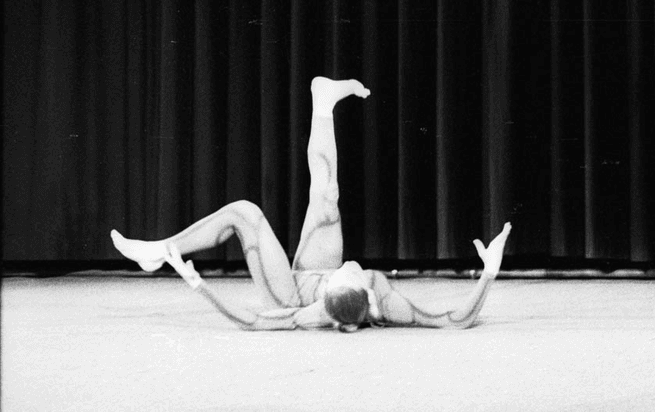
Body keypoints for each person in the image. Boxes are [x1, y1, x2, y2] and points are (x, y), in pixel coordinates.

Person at [111, 77, 511, 331]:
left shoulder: (312, 312)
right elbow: (452, 321)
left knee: (244, 213)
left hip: (289, 294)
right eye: (350, 272)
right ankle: (324, 101)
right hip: (312, 276)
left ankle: (160, 251)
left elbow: (253, 322)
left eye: (343, 274)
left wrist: (200, 286)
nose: (351, 266)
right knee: (327, 199)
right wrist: (488, 275)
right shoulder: (381, 297)